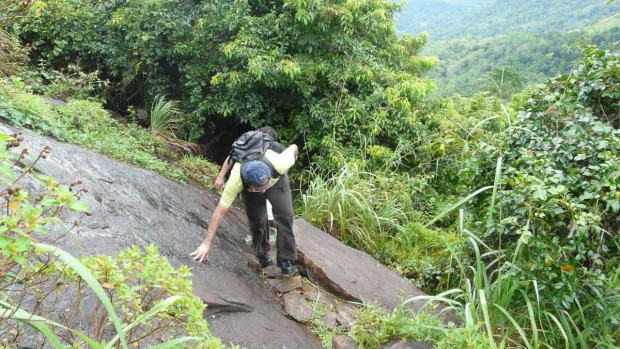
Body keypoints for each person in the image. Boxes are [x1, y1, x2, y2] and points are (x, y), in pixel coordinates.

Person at [191, 133, 299, 276]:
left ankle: (285, 259)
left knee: (285, 216)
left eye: (265, 185)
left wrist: (292, 161)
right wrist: (206, 243)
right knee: (257, 220)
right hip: (250, 190)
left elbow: (294, 147)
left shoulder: (280, 162)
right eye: (261, 188)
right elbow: (219, 212)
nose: (264, 190)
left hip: (276, 179)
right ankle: (261, 253)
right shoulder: (236, 180)